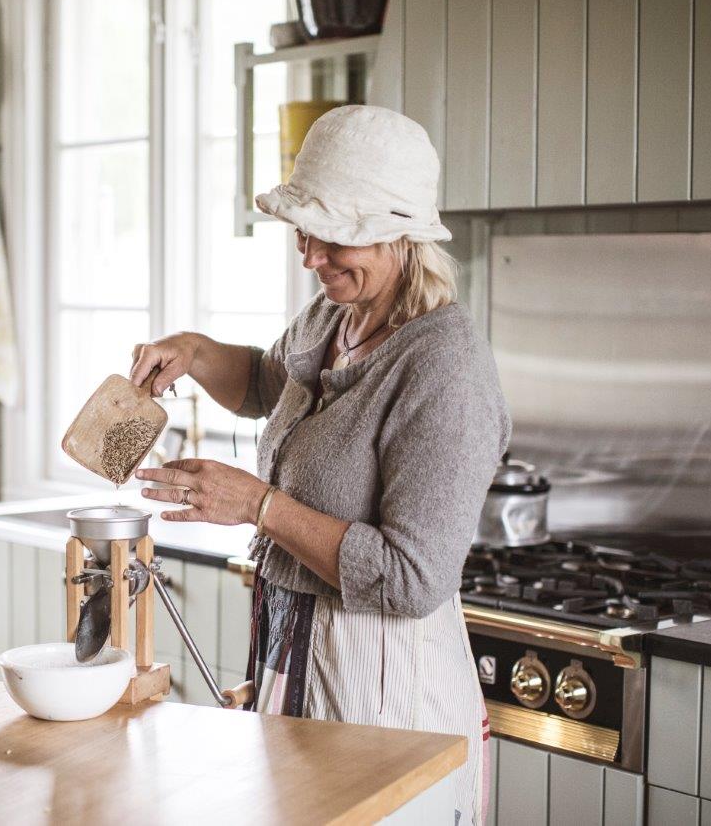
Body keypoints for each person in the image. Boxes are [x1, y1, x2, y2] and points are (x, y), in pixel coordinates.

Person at [131, 105, 509, 825]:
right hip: (300, 667)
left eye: (333, 238)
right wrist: (194, 352)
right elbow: (271, 385)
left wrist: (258, 505)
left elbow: (412, 577)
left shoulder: (445, 367)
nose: (311, 257)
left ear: (399, 235)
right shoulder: (336, 317)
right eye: (304, 232)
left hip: (386, 705)